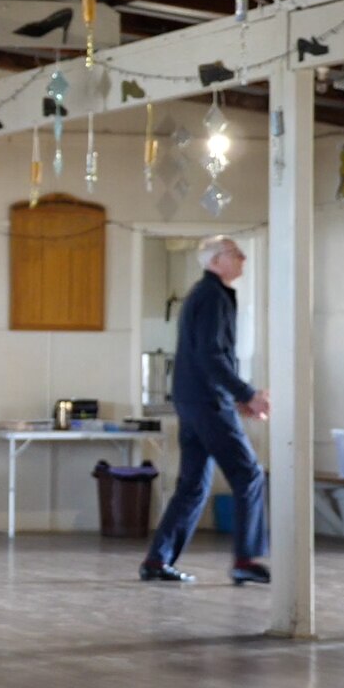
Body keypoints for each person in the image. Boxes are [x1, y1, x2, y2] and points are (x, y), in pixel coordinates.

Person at [141, 236, 272, 585]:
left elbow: (211, 356)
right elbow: (211, 356)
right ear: (215, 261)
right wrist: (246, 393)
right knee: (249, 474)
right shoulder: (212, 296)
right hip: (207, 402)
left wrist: (238, 397)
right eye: (235, 253)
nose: (243, 257)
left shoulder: (206, 295)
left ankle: (158, 559)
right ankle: (246, 558)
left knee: (194, 485)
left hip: (194, 398)